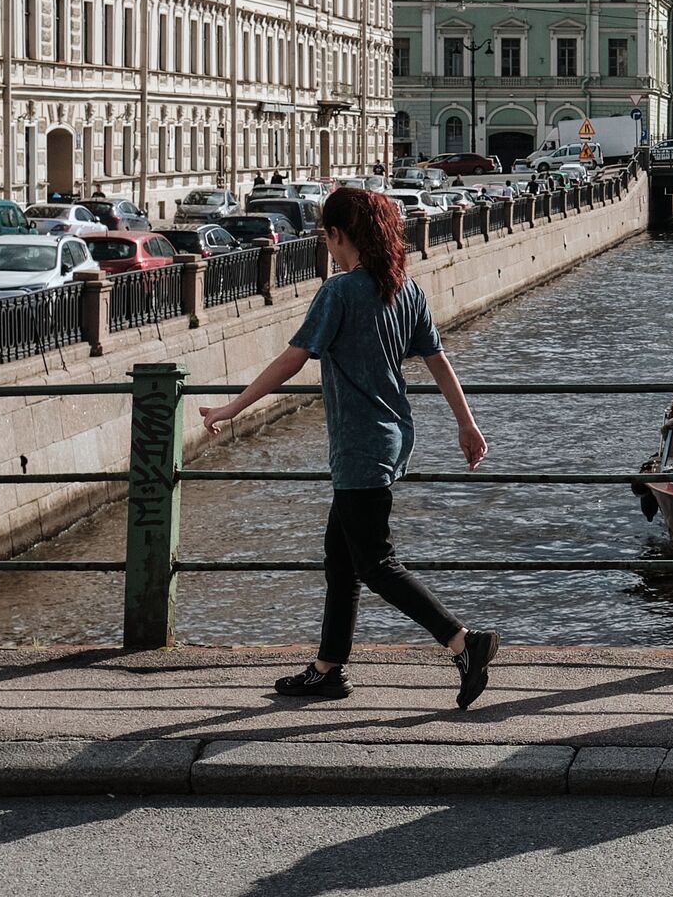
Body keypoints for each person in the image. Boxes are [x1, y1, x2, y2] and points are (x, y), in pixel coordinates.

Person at [199, 187, 500, 709]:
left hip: (361, 446)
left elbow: (293, 359)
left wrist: (231, 408)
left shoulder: (339, 292)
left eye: (327, 239)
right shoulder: (404, 288)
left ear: (339, 235)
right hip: (393, 436)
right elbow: (439, 361)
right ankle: (327, 670)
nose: (328, 249)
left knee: (376, 563)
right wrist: (467, 425)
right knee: (341, 560)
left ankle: (462, 642)